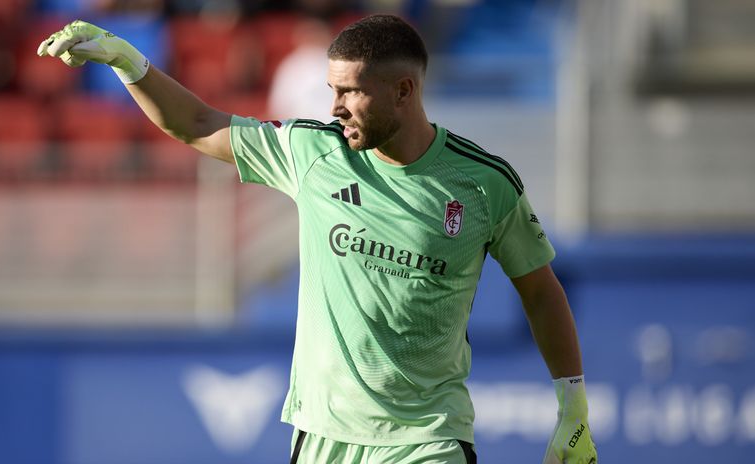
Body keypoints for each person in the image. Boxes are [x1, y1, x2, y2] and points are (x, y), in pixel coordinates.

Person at [37, 15, 597, 464]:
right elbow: (200, 123)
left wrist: (572, 409)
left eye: (350, 92)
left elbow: (540, 290)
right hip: (322, 436)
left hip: (429, 439)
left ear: (404, 91)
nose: (333, 107)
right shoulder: (313, 152)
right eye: (331, 89)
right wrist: (127, 61)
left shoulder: (484, 183)